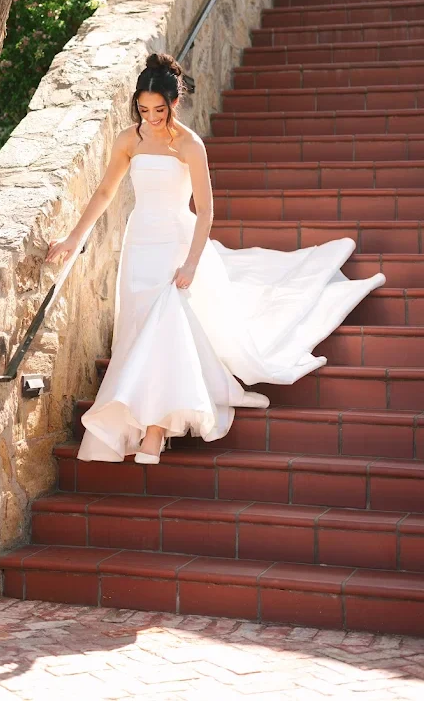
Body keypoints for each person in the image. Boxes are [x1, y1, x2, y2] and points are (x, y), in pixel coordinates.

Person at [45, 52, 385, 464]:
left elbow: (205, 211)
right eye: (143, 108)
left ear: (174, 103)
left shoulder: (190, 144)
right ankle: (152, 417)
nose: (151, 117)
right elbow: (104, 193)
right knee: (140, 332)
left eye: (159, 109)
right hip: (140, 244)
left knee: (166, 324)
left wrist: (190, 263)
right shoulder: (128, 139)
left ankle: (155, 431)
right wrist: (72, 237)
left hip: (175, 243)